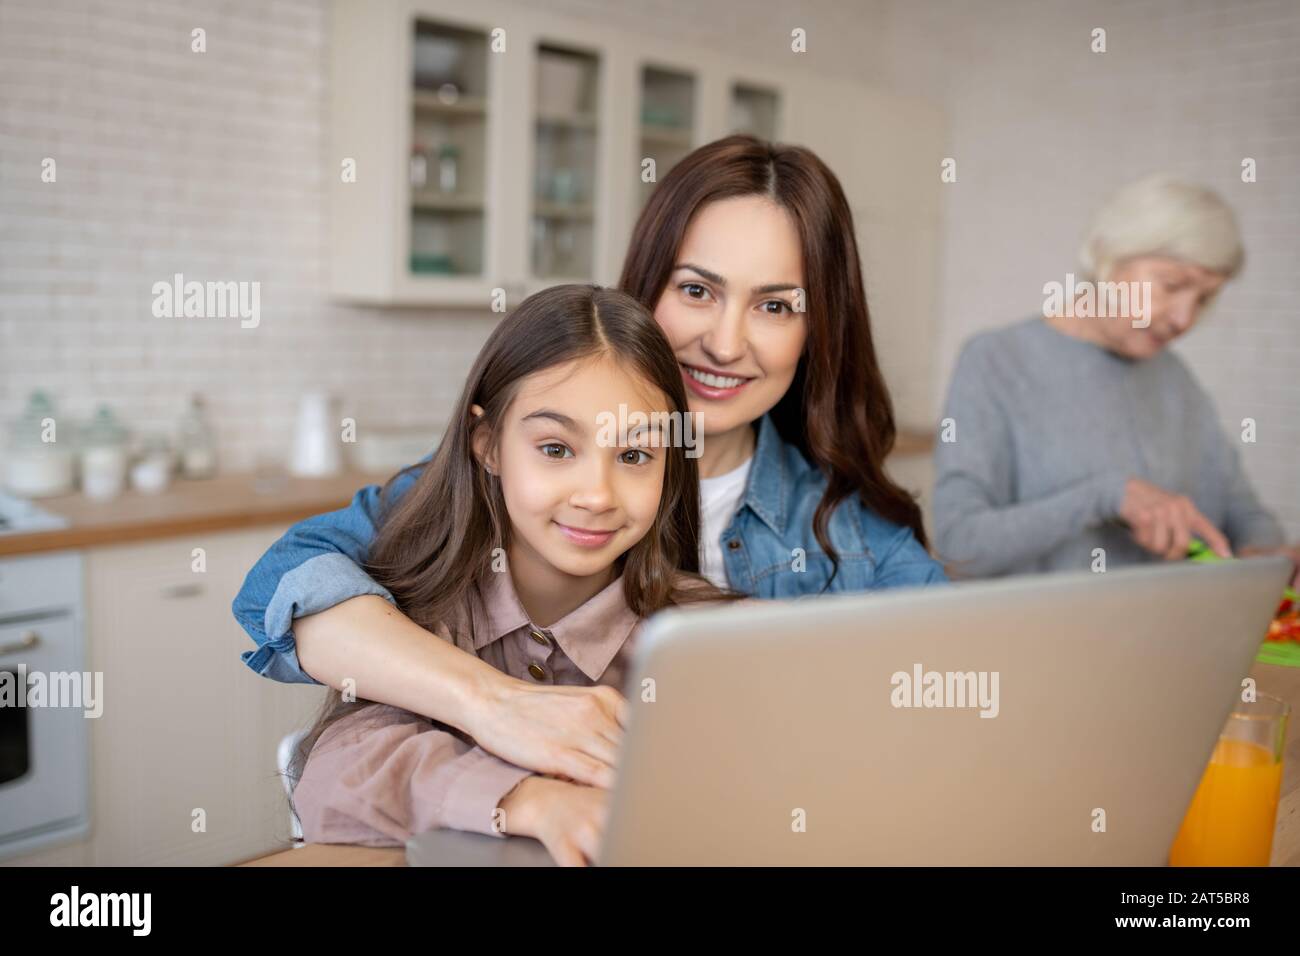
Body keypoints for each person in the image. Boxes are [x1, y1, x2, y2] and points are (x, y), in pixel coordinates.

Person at [234, 135, 947, 798]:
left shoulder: (857, 540)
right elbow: (289, 586)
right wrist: (493, 705)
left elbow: (954, 706)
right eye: (696, 290)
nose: (726, 344)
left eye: (774, 305)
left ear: (817, 328)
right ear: (646, 290)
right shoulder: (496, 487)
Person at [292, 285, 733, 866]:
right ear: (489, 445)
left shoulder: (701, 633)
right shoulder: (423, 612)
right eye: (555, 448)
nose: (597, 495)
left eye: (633, 456)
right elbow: (338, 772)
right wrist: (528, 800)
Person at [934, 175, 1294, 579]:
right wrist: (1104, 497)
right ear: (1106, 256)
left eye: (1205, 298)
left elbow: (1242, 510)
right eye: (1172, 285)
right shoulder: (996, 361)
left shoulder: (1177, 380)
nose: (1184, 319)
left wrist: (1270, 555)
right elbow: (957, 545)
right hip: (1041, 640)